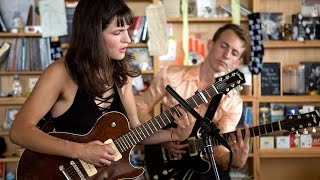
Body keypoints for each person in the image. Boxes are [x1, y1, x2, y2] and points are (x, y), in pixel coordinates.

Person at [8, 0, 195, 179]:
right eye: (117, 32)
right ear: (93, 34)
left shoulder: (122, 76)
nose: (127, 39)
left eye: (127, 30)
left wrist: (173, 134)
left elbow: (134, 131)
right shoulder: (60, 73)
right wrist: (81, 150)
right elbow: (19, 131)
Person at [136, 23, 251, 180]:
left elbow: (218, 149)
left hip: (205, 169)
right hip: (167, 165)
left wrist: (232, 161)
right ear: (211, 44)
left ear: (237, 62)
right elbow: (140, 107)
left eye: (234, 52)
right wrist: (163, 137)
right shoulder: (170, 75)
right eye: (223, 46)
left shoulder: (233, 102)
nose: (226, 55)